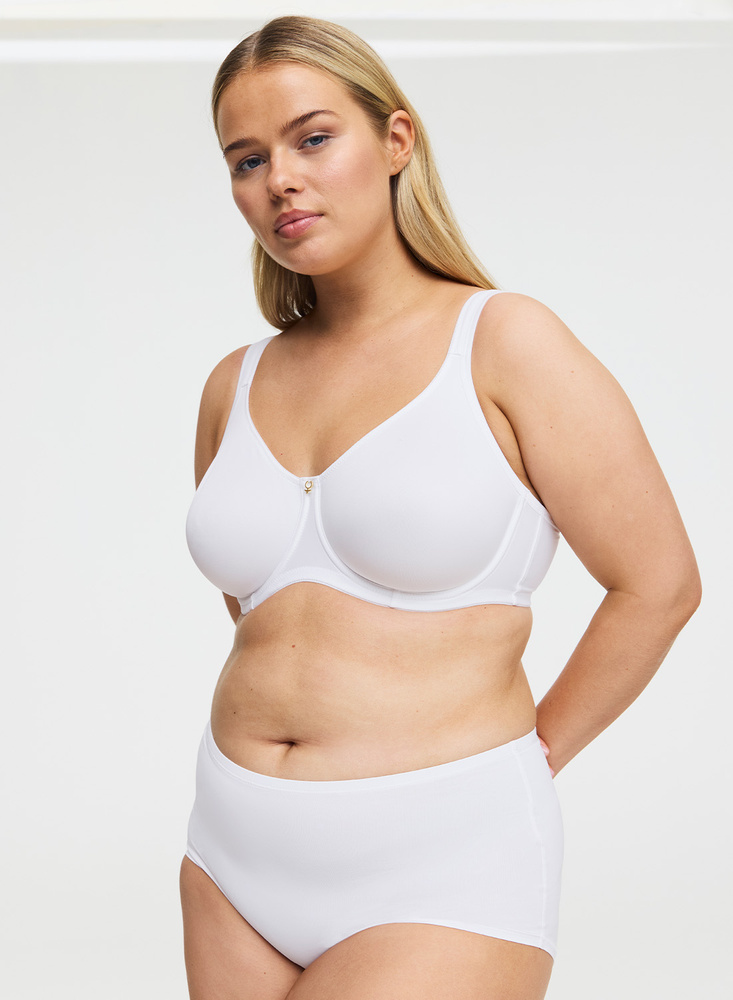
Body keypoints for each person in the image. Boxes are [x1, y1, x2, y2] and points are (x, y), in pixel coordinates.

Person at [180, 15, 700, 1000]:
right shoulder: (231, 384)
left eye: (312, 138)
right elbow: (263, 609)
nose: (279, 179)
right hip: (232, 854)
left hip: (444, 855)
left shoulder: (506, 341)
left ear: (395, 141)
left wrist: (526, 757)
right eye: (246, 160)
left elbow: (660, 585)